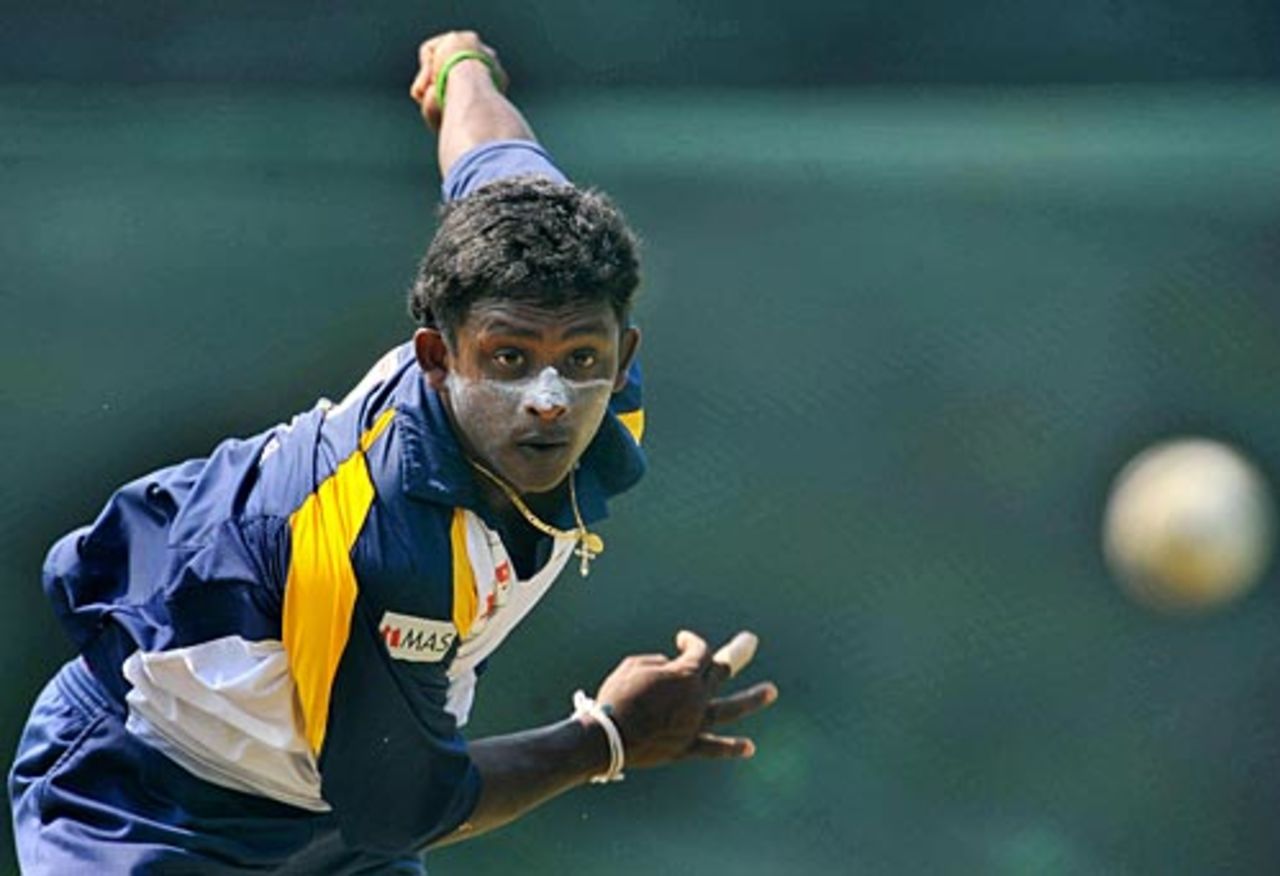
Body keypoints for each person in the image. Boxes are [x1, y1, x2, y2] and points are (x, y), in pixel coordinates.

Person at [7, 30, 778, 874]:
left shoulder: (555, 280)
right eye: (509, 359)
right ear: (437, 357)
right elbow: (406, 805)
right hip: (150, 795)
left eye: (582, 359)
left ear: (623, 356)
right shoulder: (378, 539)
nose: (550, 398)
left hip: (336, 799)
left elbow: (496, 158)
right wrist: (607, 738)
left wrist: (461, 69)